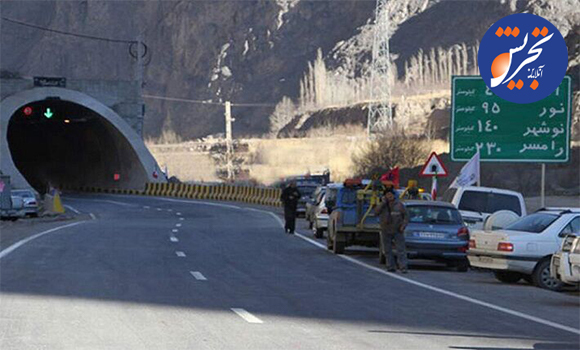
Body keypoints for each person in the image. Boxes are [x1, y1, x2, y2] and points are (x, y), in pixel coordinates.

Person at [375, 188, 409, 273]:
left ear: (394, 195)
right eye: (387, 195)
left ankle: (403, 267)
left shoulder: (399, 205)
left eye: (391, 194)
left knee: (400, 250)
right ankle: (390, 266)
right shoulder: (383, 206)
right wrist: (383, 203)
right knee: (387, 250)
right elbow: (376, 212)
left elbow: (406, 216)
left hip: (397, 230)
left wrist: (403, 226)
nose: (389, 196)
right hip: (385, 229)